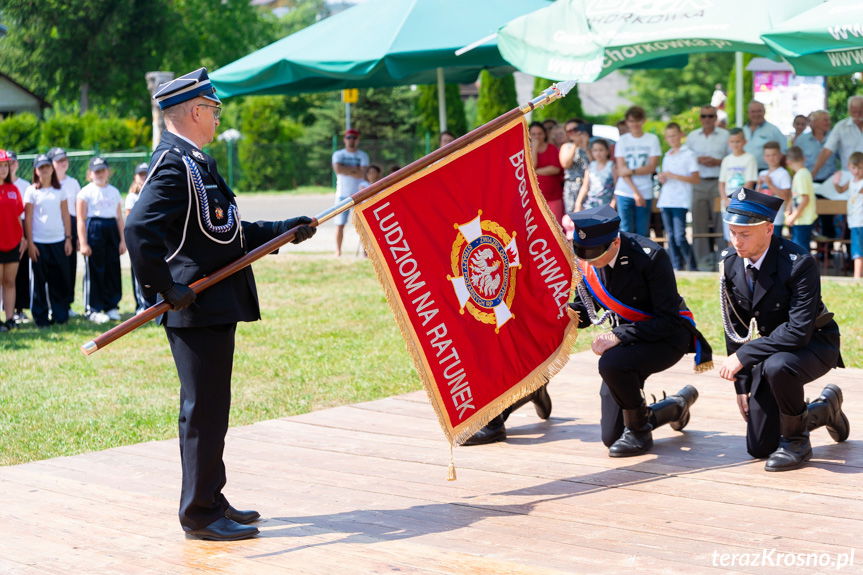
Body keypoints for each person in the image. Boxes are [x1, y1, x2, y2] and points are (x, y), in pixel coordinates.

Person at [124, 68, 317, 541]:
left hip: (213, 305)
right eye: (213, 109)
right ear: (194, 111)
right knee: (202, 410)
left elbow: (224, 234)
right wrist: (165, 288)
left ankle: (211, 495)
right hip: (194, 309)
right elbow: (138, 229)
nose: (217, 117)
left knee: (213, 408)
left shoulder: (195, 162)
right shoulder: (174, 164)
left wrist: (281, 230)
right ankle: (199, 513)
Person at [718, 188, 847, 471]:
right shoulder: (730, 262)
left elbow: (798, 331)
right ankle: (824, 409)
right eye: (733, 232)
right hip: (771, 351)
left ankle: (796, 442)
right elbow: (735, 327)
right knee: (760, 447)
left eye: (744, 234)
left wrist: (745, 356)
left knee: (778, 366)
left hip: (814, 344)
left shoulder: (798, 263)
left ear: (768, 229)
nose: (736, 241)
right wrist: (742, 385)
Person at [568, 206, 710, 456]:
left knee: (611, 363)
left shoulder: (649, 256)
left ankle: (639, 432)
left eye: (594, 254)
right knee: (611, 437)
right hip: (628, 343)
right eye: (583, 252)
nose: (588, 260)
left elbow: (668, 320)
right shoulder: (590, 258)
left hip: (665, 338)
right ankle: (675, 407)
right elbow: (586, 309)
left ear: (615, 242)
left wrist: (619, 335)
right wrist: (562, 314)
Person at [23, 155, 72, 328]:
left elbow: (65, 215)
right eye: (41, 167)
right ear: (36, 171)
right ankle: (41, 317)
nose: (44, 170)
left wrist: (68, 238)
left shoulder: (60, 191)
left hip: (58, 241)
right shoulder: (31, 191)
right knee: (38, 282)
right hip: (38, 243)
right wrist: (30, 243)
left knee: (58, 280)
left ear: (52, 169)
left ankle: (60, 314)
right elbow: (28, 218)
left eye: (47, 166)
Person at [77, 157, 125, 323]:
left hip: (111, 230)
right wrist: (83, 243)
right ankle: (93, 308)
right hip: (94, 230)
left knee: (112, 268)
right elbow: (81, 219)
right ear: (90, 173)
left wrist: (122, 240)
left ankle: (111, 306)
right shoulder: (85, 192)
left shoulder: (114, 191)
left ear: (107, 172)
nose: (99, 174)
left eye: (102, 170)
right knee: (95, 270)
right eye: (96, 171)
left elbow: (119, 218)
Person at [687, 105, 729, 269]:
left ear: (715, 118)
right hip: (698, 183)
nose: (707, 119)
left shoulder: (725, 135)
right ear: (700, 118)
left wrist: (717, 161)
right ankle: (703, 263)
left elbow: (733, 158)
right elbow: (686, 159)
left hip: (719, 182)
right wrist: (698, 160)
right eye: (704, 116)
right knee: (699, 224)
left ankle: (723, 261)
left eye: (711, 116)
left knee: (721, 223)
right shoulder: (692, 136)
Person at [656, 123, 700, 271]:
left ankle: (692, 266)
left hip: (680, 200)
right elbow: (667, 178)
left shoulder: (689, 154)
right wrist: (663, 178)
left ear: (681, 135)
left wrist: (674, 175)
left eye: (674, 135)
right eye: (669, 136)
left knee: (680, 236)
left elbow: (696, 179)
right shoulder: (667, 155)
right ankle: (676, 267)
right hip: (666, 199)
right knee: (670, 236)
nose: (672, 139)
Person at [613, 106, 661, 237]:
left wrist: (631, 170)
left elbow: (652, 167)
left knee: (642, 232)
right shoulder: (622, 141)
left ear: (643, 121)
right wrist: (636, 192)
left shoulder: (652, 139)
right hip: (624, 191)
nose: (634, 124)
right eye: (631, 121)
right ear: (627, 122)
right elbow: (621, 170)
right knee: (625, 231)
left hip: (645, 190)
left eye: (637, 120)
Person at [48, 147, 81, 317]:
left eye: (64, 159)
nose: (63, 163)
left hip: (71, 225)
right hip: (52, 226)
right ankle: (51, 304)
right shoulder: (45, 182)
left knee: (69, 267)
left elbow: (77, 209)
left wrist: (78, 236)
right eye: (59, 160)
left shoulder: (73, 182)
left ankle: (67, 304)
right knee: (52, 268)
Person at [332, 128, 369, 257]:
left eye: (354, 138)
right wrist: (355, 170)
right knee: (340, 224)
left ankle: (365, 251)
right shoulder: (338, 154)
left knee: (363, 225)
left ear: (357, 140)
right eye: (348, 137)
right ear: (344, 139)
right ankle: (338, 251)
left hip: (359, 195)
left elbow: (363, 173)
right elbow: (338, 169)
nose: (351, 140)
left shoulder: (363, 155)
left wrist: (346, 169)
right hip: (342, 194)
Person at [0, 150, 25, 332]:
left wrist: (23, 238)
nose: (3, 169)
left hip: (12, 243)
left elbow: (17, 216)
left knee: (10, 281)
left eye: (5, 165)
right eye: (0, 166)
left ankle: (10, 319)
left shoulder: (13, 189)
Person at [718, 128, 758, 242]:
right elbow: (721, 182)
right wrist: (725, 199)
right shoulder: (726, 160)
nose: (735, 144)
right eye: (732, 141)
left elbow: (749, 183)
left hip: (742, 204)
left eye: (738, 141)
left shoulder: (749, 158)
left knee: (743, 237)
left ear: (745, 142)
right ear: (728, 143)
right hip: (728, 205)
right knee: (730, 238)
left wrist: (736, 199)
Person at [812, 95, 863, 177]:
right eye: (854, 112)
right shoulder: (840, 127)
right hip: (850, 176)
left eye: (860, 112)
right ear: (849, 111)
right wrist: (814, 173)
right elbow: (827, 151)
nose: (857, 115)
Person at [9, 151, 32, 325]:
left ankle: (19, 309)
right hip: (5, 229)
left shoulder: (24, 185)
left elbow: (24, 212)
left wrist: (25, 236)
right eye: (6, 163)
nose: (10, 166)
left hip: (20, 228)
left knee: (21, 271)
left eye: (12, 162)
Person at [126, 162, 150, 313]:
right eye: (141, 174)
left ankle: (154, 304)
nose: (143, 177)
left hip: (153, 238)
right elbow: (129, 221)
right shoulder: (132, 197)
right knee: (139, 274)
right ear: (135, 177)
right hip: (139, 239)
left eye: (146, 174)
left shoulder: (152, 193)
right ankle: (142, 305)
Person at [529, 121, 564, 222]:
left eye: (539, 133)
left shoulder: (552, 148)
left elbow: (555, 169)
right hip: (533, 199)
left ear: (544, 134)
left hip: (553, 197)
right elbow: (531, 166)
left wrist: (534, 171)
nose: (537, 137)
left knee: (556, 226)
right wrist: (534, 149)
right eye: (533, 134)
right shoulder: (526, 150)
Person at [784, 146, 818, 250]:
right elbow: (796, 196)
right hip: (801, 219)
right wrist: (789, 209)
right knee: (798, 249)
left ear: (788, 162)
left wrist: (793, 217)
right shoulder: (802, 173)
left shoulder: (801, 175)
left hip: (803, 219)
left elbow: (805, 199)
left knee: (800, 251)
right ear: (804, 158)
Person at [757, 141, 792, 237]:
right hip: (761, 218)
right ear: (764, 157)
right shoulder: (762, 173)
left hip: (776, 219)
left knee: (774, 243)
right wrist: (759, 185)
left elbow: (786, 197)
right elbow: (757, 198)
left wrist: (770, 184)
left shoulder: (783, 173)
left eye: (774, 155)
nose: (771, 158)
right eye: (768, 155)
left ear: (780, 155)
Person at [743, 101, 786, 171]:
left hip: (766, 171)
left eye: (759, 111)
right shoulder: (743, 130)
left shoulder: (773, 130)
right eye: (753, 112)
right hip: (745, 170)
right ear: (748, 113)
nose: (756, 114)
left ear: (764, 112)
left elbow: (784, 152)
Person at [575, 139, 615, 212]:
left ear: (607, 151)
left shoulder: (612, 166)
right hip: (591, 204)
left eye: (601, 150)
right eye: (595, 150)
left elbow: (616, 188)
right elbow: (585, 187)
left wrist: (613, 204)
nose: (598, 153)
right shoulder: (590, 166)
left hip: (606, 204)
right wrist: (578, 203)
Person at [559, 119, 590, 213]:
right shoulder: (566, 146)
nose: (572, 133)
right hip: (572, 187)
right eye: (569, 131)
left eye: (575, 129)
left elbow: (592, 165)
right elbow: (565, 164)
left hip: (589, 186)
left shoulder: (591, 145)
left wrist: (585, 145)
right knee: (573, 217)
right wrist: (575, 145)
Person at [840, 152, 863, 278]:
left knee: (858, 250)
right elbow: (840, 189)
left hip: (860, 221)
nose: (857, 171)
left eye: (860, 168)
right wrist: (836, 182)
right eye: (854, 168)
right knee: (857, 249)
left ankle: (857, 276)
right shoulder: (851, 181)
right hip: (854, 221)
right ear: (849, 167)